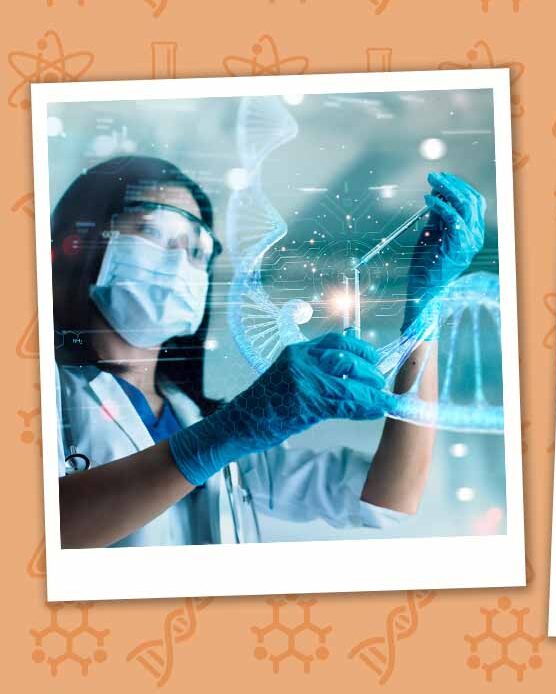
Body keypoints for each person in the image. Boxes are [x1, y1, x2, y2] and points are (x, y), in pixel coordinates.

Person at [53, 156, 486, 549]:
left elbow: (389, 497)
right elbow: (39, 538)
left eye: (198, 249)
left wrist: (424, 309)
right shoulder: (47, 396)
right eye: (152, 230)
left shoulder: (197, 420)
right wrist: (227, 433)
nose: (181, 261)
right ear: (82, 241)